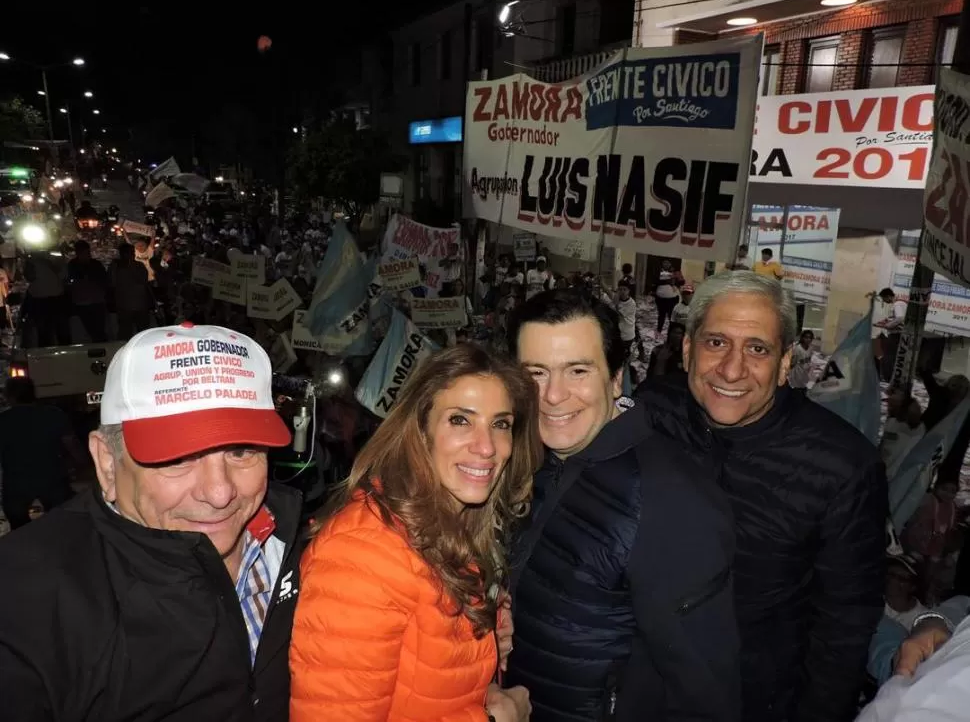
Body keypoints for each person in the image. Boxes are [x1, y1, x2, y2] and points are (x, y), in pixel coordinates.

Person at [0, 323, 302, 721]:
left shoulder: (305, 542)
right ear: (107, 463)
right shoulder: (22, 600)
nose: (219, 492)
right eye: (176, 458)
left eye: (242, 450)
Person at [636, 270, 887, 722]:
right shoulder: (653, 410)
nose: (732, 370)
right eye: (716, 343)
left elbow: (844, 627)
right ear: (688, 348)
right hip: (640, 687)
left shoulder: (844, 466)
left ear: (786, 362)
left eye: (757, 349)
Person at [504, 289, 740, 721]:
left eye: (577, 371)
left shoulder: (671, 499)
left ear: (615, 379)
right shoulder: (525, 456)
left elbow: (703, 688)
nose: (553, 395)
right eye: (536, 373)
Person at [290, 344, 542, 722]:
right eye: (460, 420)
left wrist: (481, 637)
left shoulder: (449, 527)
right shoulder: (363, 556)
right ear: (420, 431)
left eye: (500, 423)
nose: (487, 446)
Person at [0, 377, 86, 529]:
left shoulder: (4, 421)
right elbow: (72, 444)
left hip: (17, 484)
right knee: (63, 521)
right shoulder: (53, 415)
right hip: (52, 480)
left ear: (9, 396)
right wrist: (83, 464)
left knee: (18, 522)